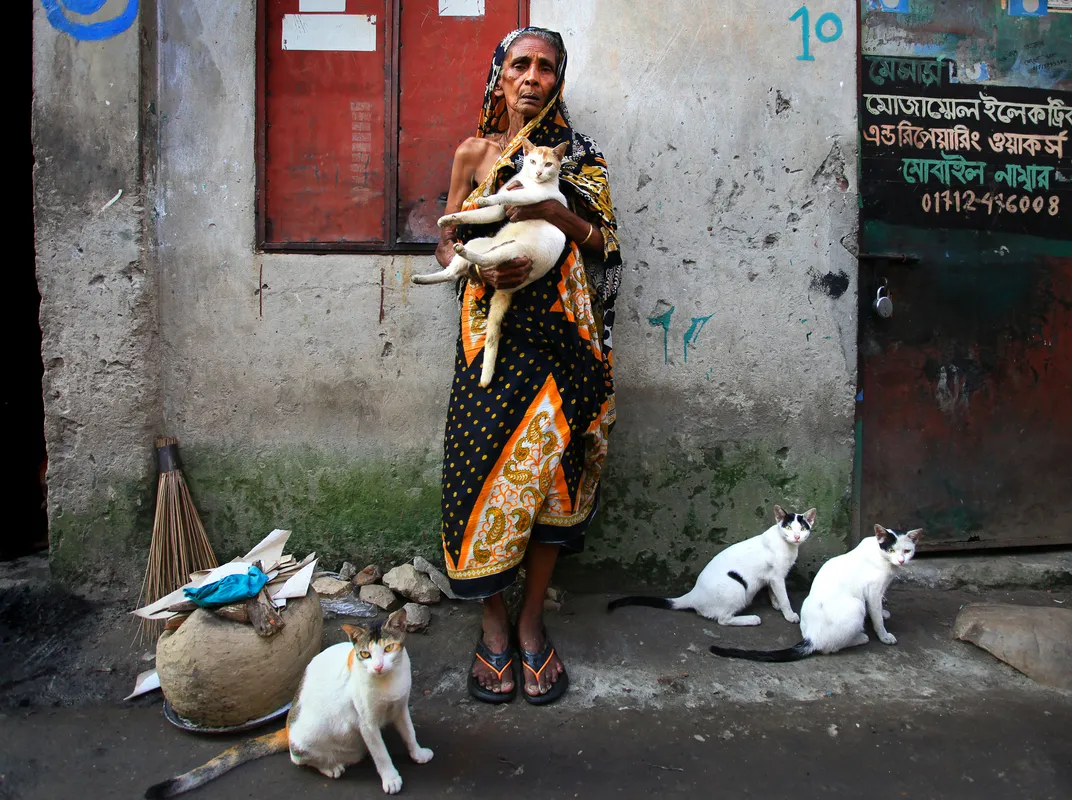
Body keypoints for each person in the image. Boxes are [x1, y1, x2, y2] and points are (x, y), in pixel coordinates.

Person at [433, 27, 623, 705]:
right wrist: (474, 263)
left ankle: (533, 622)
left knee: (554, 479)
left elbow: (606, 239)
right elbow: (447, 236)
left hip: (566, 340)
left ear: (559, 81)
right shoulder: (473, 153)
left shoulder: (579, 158)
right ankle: (492, 623)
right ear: (500, 75)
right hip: (492, 337)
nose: (532, 76)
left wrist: (550, 212)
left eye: (546, 66)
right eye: (521, 64)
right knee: (478, 467)